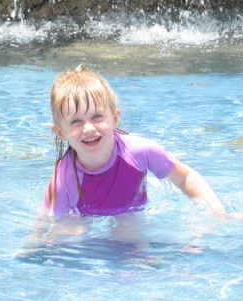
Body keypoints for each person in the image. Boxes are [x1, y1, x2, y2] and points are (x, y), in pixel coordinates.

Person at [44, 65, 229, 218]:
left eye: (97, 117)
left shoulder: (140, 152)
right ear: (60, 132)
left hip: (133, 214)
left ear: (114, 119)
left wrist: (219, 214)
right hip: (85, 219)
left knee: (131, 238)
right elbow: (50, 222)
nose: (89, 128)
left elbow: (186, 178)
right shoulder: (62, 180)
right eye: (76, 121)